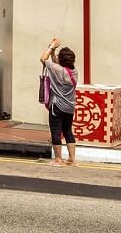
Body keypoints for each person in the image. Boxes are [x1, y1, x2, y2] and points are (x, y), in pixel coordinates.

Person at [42, 38, 79, 166]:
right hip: (70, 106)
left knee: (56, 131)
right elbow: (56, 63)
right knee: (68, 130)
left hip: (57, 105)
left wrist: (51, 47)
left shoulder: (57, 70)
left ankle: (58, 159)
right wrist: (54, 53)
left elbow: (43, 59)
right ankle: (72, 159)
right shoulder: (74, 72)